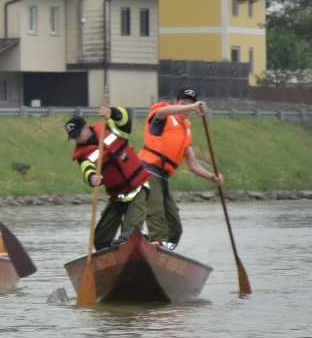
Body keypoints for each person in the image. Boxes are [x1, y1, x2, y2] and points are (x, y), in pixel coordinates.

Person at [139, 87, 222, 249]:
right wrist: (192, 106)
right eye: (183, 103)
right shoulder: (164, 116)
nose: (186, 107)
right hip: (148, 172)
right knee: (156, 215)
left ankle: (161, 251)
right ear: (176, 103)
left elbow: (193, 165)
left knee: (175, 229)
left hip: (164, 178)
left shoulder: (185, 130)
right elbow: (162, 112)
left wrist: (212, 177)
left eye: (190, 104)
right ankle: (155, 245)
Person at [67, 105, 151, 250]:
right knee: (100, 239)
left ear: (86, 128)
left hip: (138, 189)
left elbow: (125, 120)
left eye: (78, 134)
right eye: (74, 137)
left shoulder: (109, 127)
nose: (77, 139)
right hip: (117, 197)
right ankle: (110, 257)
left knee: (129, 236)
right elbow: (87, 169)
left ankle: (138, 246)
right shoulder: (82, 155)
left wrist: (112, 113)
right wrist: (92, 178)